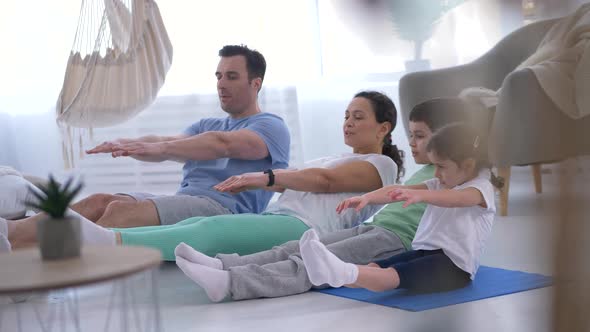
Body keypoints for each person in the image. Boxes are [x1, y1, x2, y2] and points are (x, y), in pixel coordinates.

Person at [2, 91, 403, 261]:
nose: (348, 123)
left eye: (359, 117)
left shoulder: (384, 168)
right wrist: (139, 144)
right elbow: (184, 140)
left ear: (384, 128)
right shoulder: (329, 154)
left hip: (305, 228)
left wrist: (265, 178)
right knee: (197, 223)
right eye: (346, 115)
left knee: (206, 229)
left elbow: (326, 184)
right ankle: (13, 235)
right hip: (276, 220)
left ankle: (107, 242)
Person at [166, 98, 472, 302]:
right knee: (293, 249)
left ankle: (232, 284)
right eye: (412, 135)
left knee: (310, 263)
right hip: (376, 229)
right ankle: (225, 266)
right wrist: (367, 199)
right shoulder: (430, 172)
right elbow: (396, 194)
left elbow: (462, 196)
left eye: (420, 136)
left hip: (397, 242)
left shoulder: (455, 174)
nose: (413, 142)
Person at [71, 44, 291, 228]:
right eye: (219, 76)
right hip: (185, 200)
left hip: (222, 208)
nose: (221, 84)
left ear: (256, 84)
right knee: (98, 201)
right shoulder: (207, 124)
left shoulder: (271, 126)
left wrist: (163, 148)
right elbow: (166, 142)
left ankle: (61, 262)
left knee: (120, 212)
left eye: (231, 77)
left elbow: (222, 144)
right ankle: (37, 226)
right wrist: (126, 144)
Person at [299, 122, 502, 294]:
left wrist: (421, 194)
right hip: (426, 252)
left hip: (454, 268)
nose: (436, 174)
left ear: (467, 165)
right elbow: (397, 190)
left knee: (391, 276)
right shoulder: (442, 184)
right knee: (374, 267)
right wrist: (367, 197)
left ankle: (338, 271)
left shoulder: (481, 188)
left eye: (441, 166)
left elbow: (456, 199)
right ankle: (328, 272)